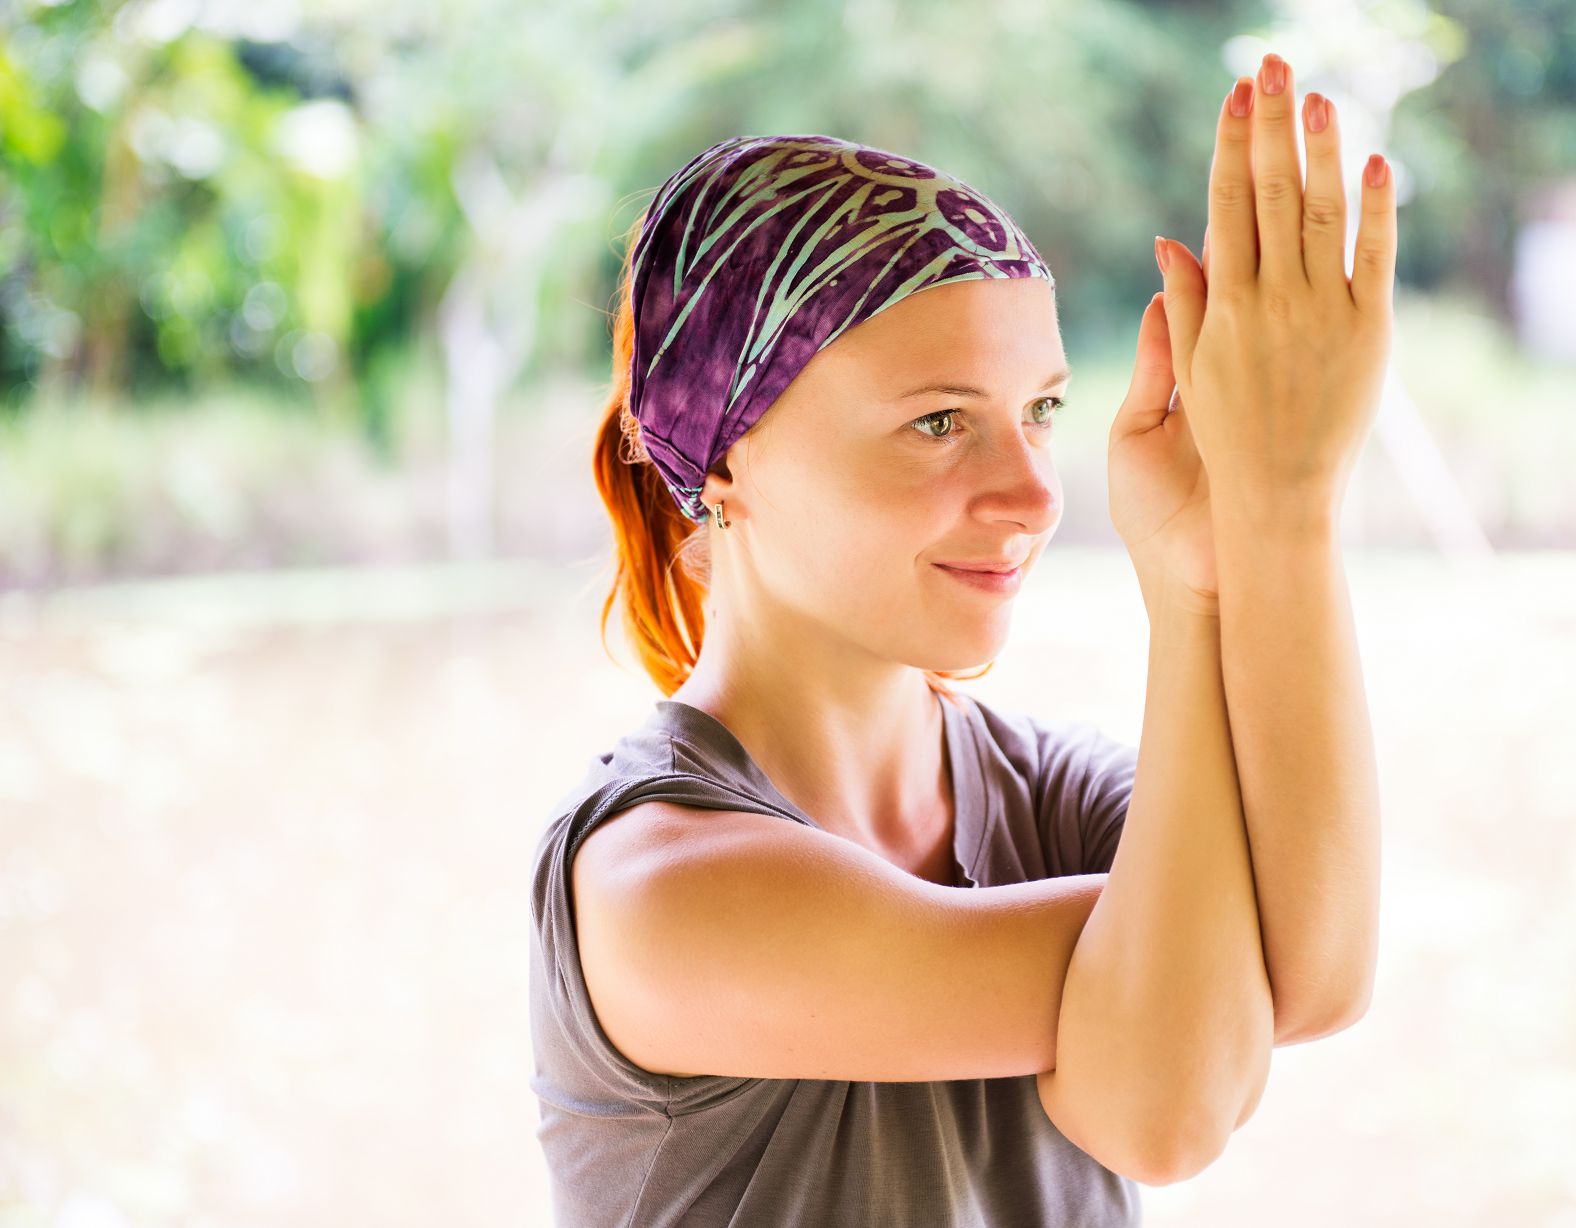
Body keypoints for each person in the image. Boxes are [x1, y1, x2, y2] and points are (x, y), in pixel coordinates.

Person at [531, 55, 1391, 1223]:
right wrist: (1199, 592)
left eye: (1040, 411)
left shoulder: (1058, 793)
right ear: (726, 457)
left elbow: (1323, 971)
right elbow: (1162, 1103)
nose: (1035, 495)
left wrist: (1269, 520)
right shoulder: (663, 887)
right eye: (938, 421)